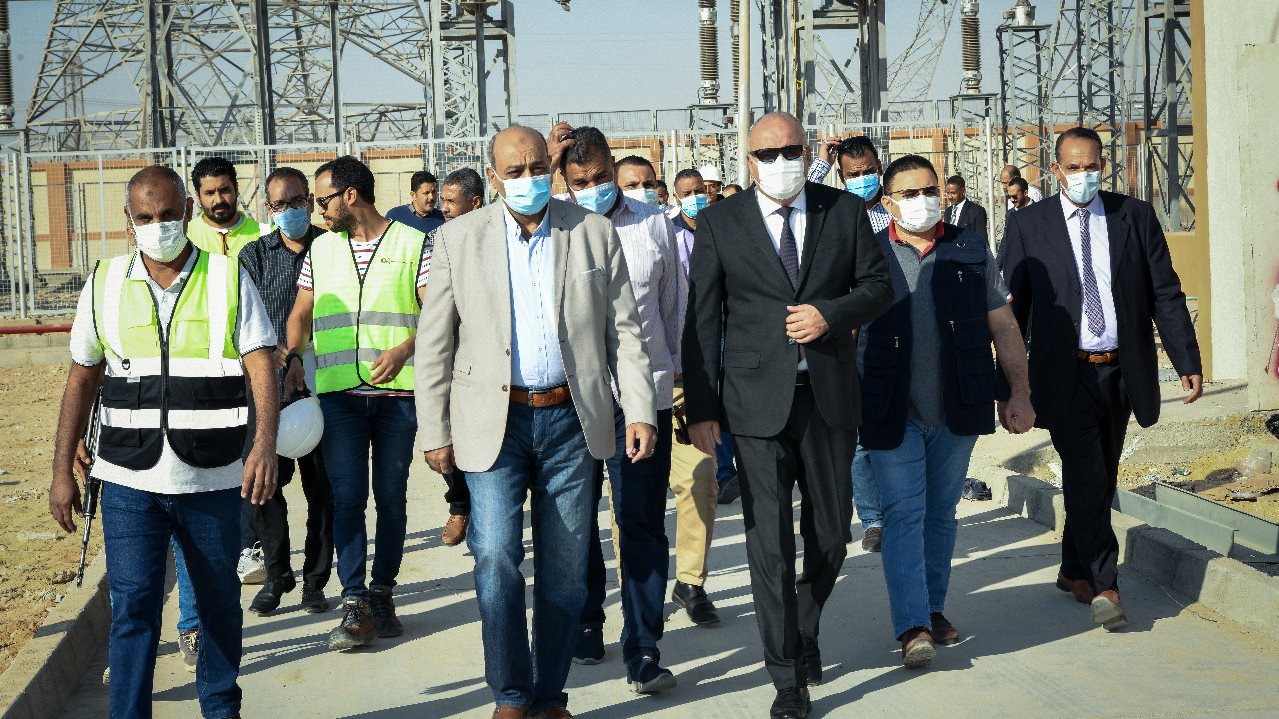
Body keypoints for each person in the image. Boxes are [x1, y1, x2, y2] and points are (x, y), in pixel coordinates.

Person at [416, 124, 657, 719]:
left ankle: (549, 695)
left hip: (571, 423)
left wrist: (642, 408)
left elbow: (624, 332)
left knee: (567, 566)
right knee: (495, 555)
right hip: (493, 423)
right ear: (493, 177)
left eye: (535, 170)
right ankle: (511, 693)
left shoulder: (593, 235)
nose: (527, 181)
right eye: (513, 172)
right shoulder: (457, 239)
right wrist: (434, 428)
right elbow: (435, 343)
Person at [683, 112, 893, 719]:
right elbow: (703, 321)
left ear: (807, 152)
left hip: (827, 398)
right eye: (768, 154)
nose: (781, 162)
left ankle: (805, 622)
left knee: (830, 534)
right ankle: (786, 679)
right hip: (753, 404)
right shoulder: (720, 223)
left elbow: (878, 287)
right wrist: (702, 408)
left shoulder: (843, 213)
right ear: (749, 161)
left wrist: (830, 313)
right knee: (767, 545)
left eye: (792, 150)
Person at [49, 165, 279, 719]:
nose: (158, 226)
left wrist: (264, 445)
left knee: (220, 604)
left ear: (188, 213)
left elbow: (262, 365)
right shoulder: (104, 281)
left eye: (169, 215)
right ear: (130, 222)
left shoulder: (225, 276)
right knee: (133, 608)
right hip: (129, 481)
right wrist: (61, 468)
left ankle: (221, 708)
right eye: (146, 218)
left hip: (213, 479)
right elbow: (82, 376)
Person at [1001, 126, 1203, 631]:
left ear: (1103, 166)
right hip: (1063, 373)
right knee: (1088, 474)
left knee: (1100, 474)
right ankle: (1105, 581)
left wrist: (1187, 360)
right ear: (1055, 170)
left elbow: (1165, 292)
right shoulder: (1029, 225)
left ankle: (1073, 570)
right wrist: (1011, 387)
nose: (1083, 176)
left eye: (1092, 166)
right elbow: (1010, 313)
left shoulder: (1133, 216)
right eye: (1073, 167)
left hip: (1120, 370)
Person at [857, 154, 1034, 668]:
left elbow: (1003, 325)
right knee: (904, 513)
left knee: (940, 514)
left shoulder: (970, 249)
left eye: (929, 190)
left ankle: (933, 609)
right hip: (890, 407)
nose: (923, 201)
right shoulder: (868, 254)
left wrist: (1018, 391)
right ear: (888, 202)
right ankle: (912, 625)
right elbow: (847, 329)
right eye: (909, 194)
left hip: (957, 405)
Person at [283, 155, 431, 651]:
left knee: (390, 497)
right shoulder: (320, 252)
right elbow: (301, 312)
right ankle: (354, 600)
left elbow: (438, 313)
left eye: (323, 200)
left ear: (350, 195)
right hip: (340, 398)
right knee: (346, 499)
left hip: (397, 398)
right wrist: (293, 355)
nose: (318, 210)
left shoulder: (414, 243)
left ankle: (383, 592)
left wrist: (404, 348)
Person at [556, 128, 686, 692]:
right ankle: (588, 620)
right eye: (579, 182)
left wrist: (674, 384)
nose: (592, 189)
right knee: (575, 523)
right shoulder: (554, 227)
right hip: (576, 403)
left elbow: (673, 305)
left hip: (642, 400)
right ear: (565, 179)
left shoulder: (653, 222)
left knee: (640, 523)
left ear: (614, 167)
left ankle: (644, 647)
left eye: (600, 178)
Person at [237, 166, 335, 616]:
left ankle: (316, 580)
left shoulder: (331, 248)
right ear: (268, 209)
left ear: (311, 203)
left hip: (324, 385)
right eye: (279, 205)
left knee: (323, 489)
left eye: (297, 202)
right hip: (268, 390)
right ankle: (277, 576)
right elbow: (246, 319)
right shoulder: (254, 256)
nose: (289, 211)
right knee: (265, 487)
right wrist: (279, 357)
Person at [811, 133, 890, 551]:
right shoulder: (836, 218)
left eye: (869, 173)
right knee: (858, 442)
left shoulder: (896, 214)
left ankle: (900, 509)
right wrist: (821, 162)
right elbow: (797, 197)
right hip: (853, 341)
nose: (862, 181)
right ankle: (873, 519)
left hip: (895, 334)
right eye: (853, 175)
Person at [668, 168, 731, 623]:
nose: (696, 200)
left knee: (700, 483)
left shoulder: (725, 235)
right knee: (636, 497)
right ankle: (640, 581)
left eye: (700, 193)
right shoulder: (660, 238)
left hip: (697, 382)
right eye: (686, 194)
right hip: (646, 380)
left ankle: (691, 581)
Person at [432, 167, 487, 547]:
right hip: (452, 361)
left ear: (476, 203)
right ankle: (460, 504)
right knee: (447, 437)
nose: (444, 208)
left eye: (451, 201)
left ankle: (483, 513)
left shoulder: (499, 240)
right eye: (443, 200)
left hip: (491, 362)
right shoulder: (439, 239)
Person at [187, 156, 262, 257]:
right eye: (209, 193)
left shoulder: (264, 234)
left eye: (225, 190)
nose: (219, 200)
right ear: (198, 197)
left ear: (236, 189)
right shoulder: (186, 236)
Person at [385, 170, 446, 235]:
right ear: (413, 195)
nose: (431, 197)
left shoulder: (443, 219)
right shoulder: (395, 216)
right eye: (426, 193)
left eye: (434, 192)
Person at [944, 174, 988, 239]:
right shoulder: (948, 212)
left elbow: (981, 239)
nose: (950, 197)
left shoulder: (976, 211)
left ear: (963, 191)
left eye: (953, 193)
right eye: (948, 193)